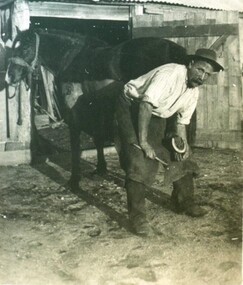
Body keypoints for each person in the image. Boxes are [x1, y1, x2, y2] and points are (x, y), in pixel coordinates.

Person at [114, 49, 224, 236]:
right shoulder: (170, 74)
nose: (202, 77)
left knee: (178, 153)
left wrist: (184, 146)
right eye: (199, 70)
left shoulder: (193, 91)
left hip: (156, 113)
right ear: (190, 64)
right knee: (139, 157)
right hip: (132, 106)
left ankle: (185, 202)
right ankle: (138, 218)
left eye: (207, 74)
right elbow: (145, 105)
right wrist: (144, 142)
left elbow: (181, 123)